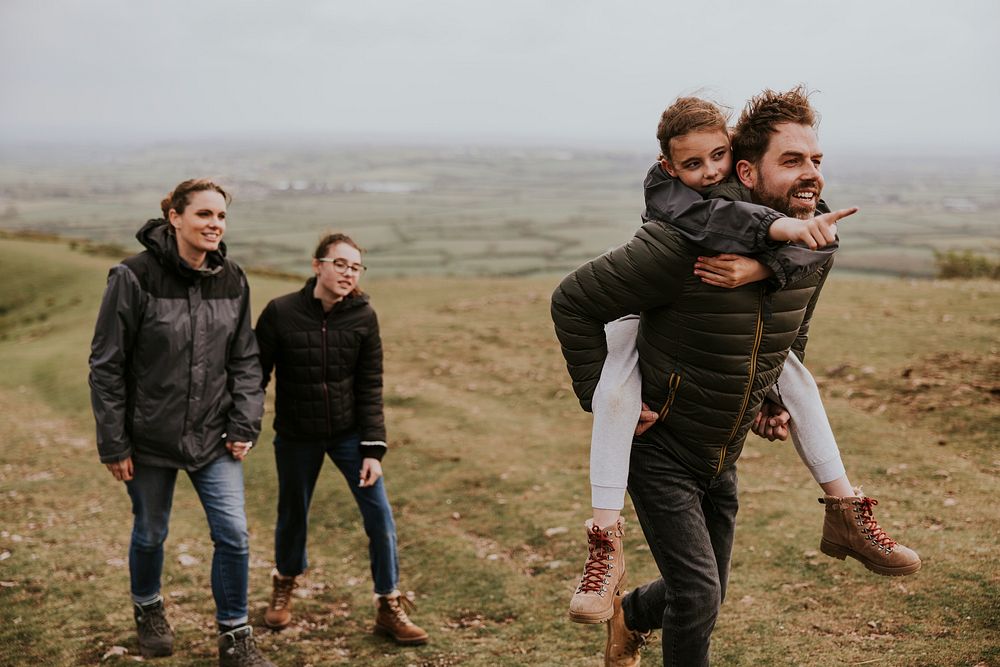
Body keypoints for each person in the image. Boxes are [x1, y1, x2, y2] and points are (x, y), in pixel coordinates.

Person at [551, 87, 896, 666]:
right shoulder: (676, 247)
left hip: (721, 450)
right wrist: (597, 394)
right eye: (791, 161)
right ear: (747, 170)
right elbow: (572, 303)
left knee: (707, 594)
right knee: (699, 593)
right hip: (662, 447)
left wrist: (768, 399)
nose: (810, 173)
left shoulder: (815, 237)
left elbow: (792, 322)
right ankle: (606, 551)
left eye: (815, 159)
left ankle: (630, 615)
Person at [89, 179, 273, 666]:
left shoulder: (233, 278)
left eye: (222, 216)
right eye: (204, 215)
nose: (215, 225)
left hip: (215, 436)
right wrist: (114, 443)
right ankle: (148, 608)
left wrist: (245, 423)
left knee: (233, 534)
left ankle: (235, 636)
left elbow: (246, 360)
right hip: (148, 437)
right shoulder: (132, 277)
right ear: (175, 217)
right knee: (150, 532)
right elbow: (106, 364)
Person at [254, 232, 428, 646]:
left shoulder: (363, 317)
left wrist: (372, 449)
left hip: (350, 435)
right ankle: (285, 582)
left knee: (380, 519)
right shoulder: (280, 313)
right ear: (317, 265)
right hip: (296, 435)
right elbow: (253, 376)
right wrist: (241, 426)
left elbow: (370, 385)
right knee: (292, 513)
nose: (348, 272)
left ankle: (388, 603)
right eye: (340, 264)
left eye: (355, 266)